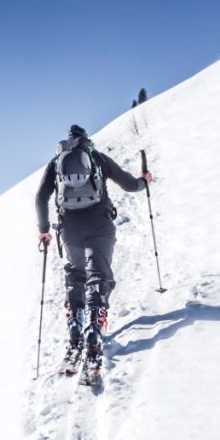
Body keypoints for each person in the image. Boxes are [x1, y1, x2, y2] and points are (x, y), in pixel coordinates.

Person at [35, 125, 153, 361]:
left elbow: (41, 197)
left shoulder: (56, 163)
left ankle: (75, 327)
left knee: (76, 274)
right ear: (86, 139)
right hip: (99, 226)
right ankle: (94, 328)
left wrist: (44, 230)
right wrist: (144, 181)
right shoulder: (97, 158)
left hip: (69, 229)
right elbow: (130, 185)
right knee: (98, 276)